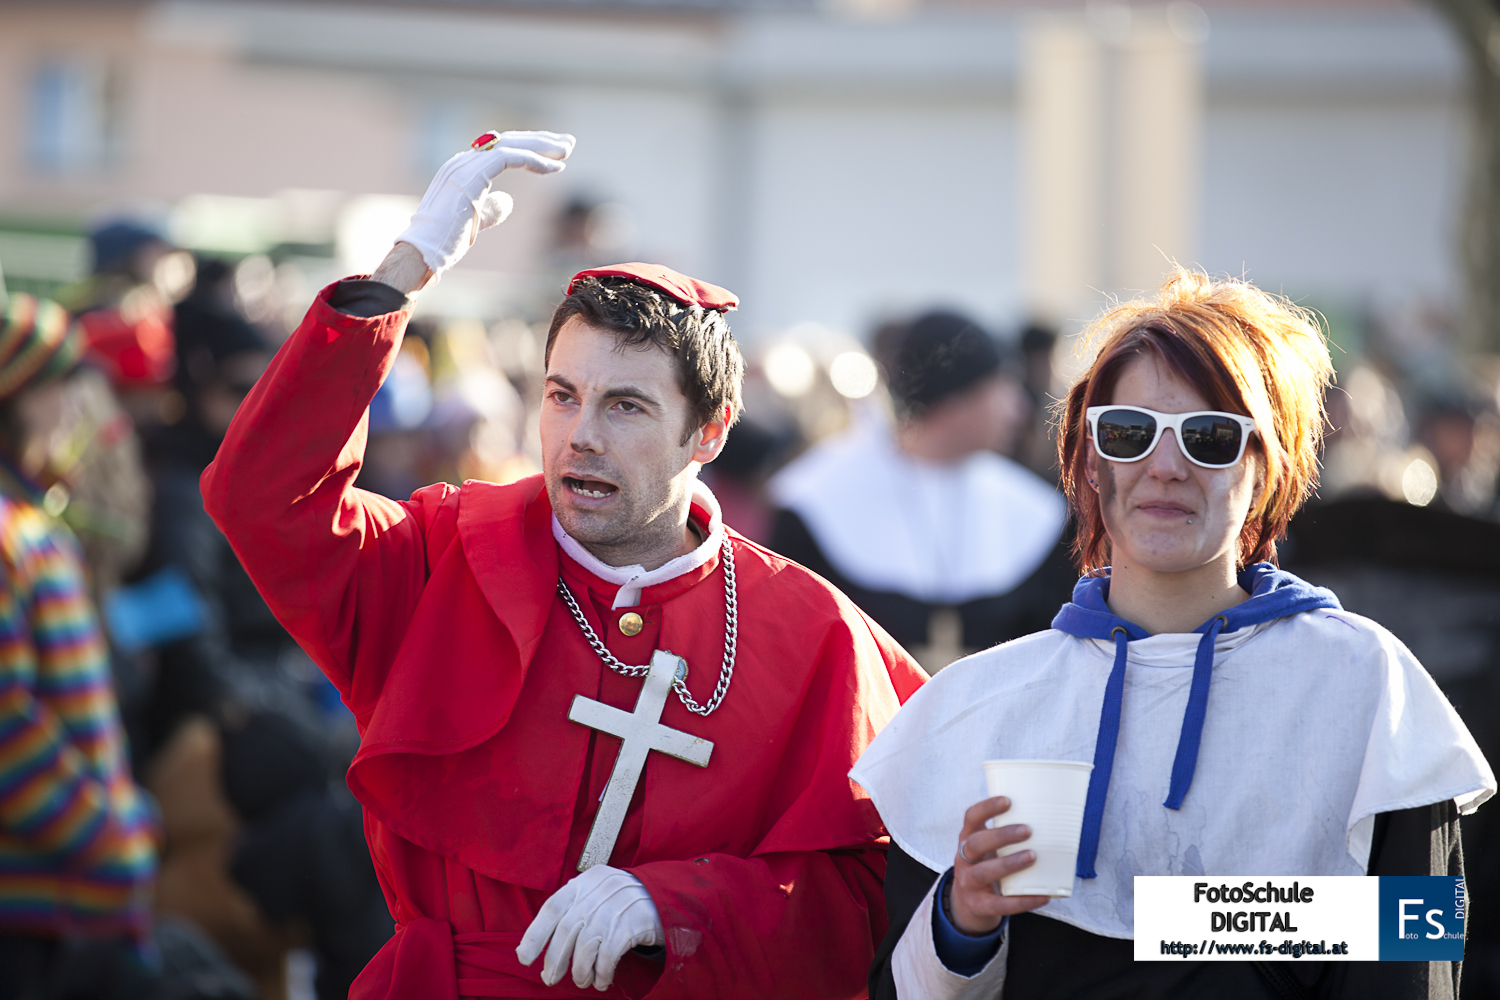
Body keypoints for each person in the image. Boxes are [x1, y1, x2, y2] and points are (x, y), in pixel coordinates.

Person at [201, 130, 925, 999]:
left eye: (624, 405)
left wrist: (680, 904)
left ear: (710, 431)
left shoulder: (815, 634)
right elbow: (262, 497)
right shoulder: (444, 553)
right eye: (561, 395)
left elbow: (868, 896)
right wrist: (400, 274)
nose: (580, 434)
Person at [852, 270, 1496, 999]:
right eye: (1127, 433)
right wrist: (961, 922)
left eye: (1210, 437)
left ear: (1266, 468)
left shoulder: (1365, 688)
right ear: (1091, 463)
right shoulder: (981, 705)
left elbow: (1417, 953)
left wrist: (1184, 918)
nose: (1163, 467)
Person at [0, 293, 159, 999]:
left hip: (64, 899)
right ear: (18, 398)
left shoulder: (31, 516)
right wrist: (110, 837)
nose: (76, 412)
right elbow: (6, 727)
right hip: (33, 910)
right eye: (63, 389)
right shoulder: (7, 533)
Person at [769, 311, 1072, 672]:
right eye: (1003, 386)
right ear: (954, 399)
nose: (1019, 410)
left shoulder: (1035, 510)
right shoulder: (813, 504)